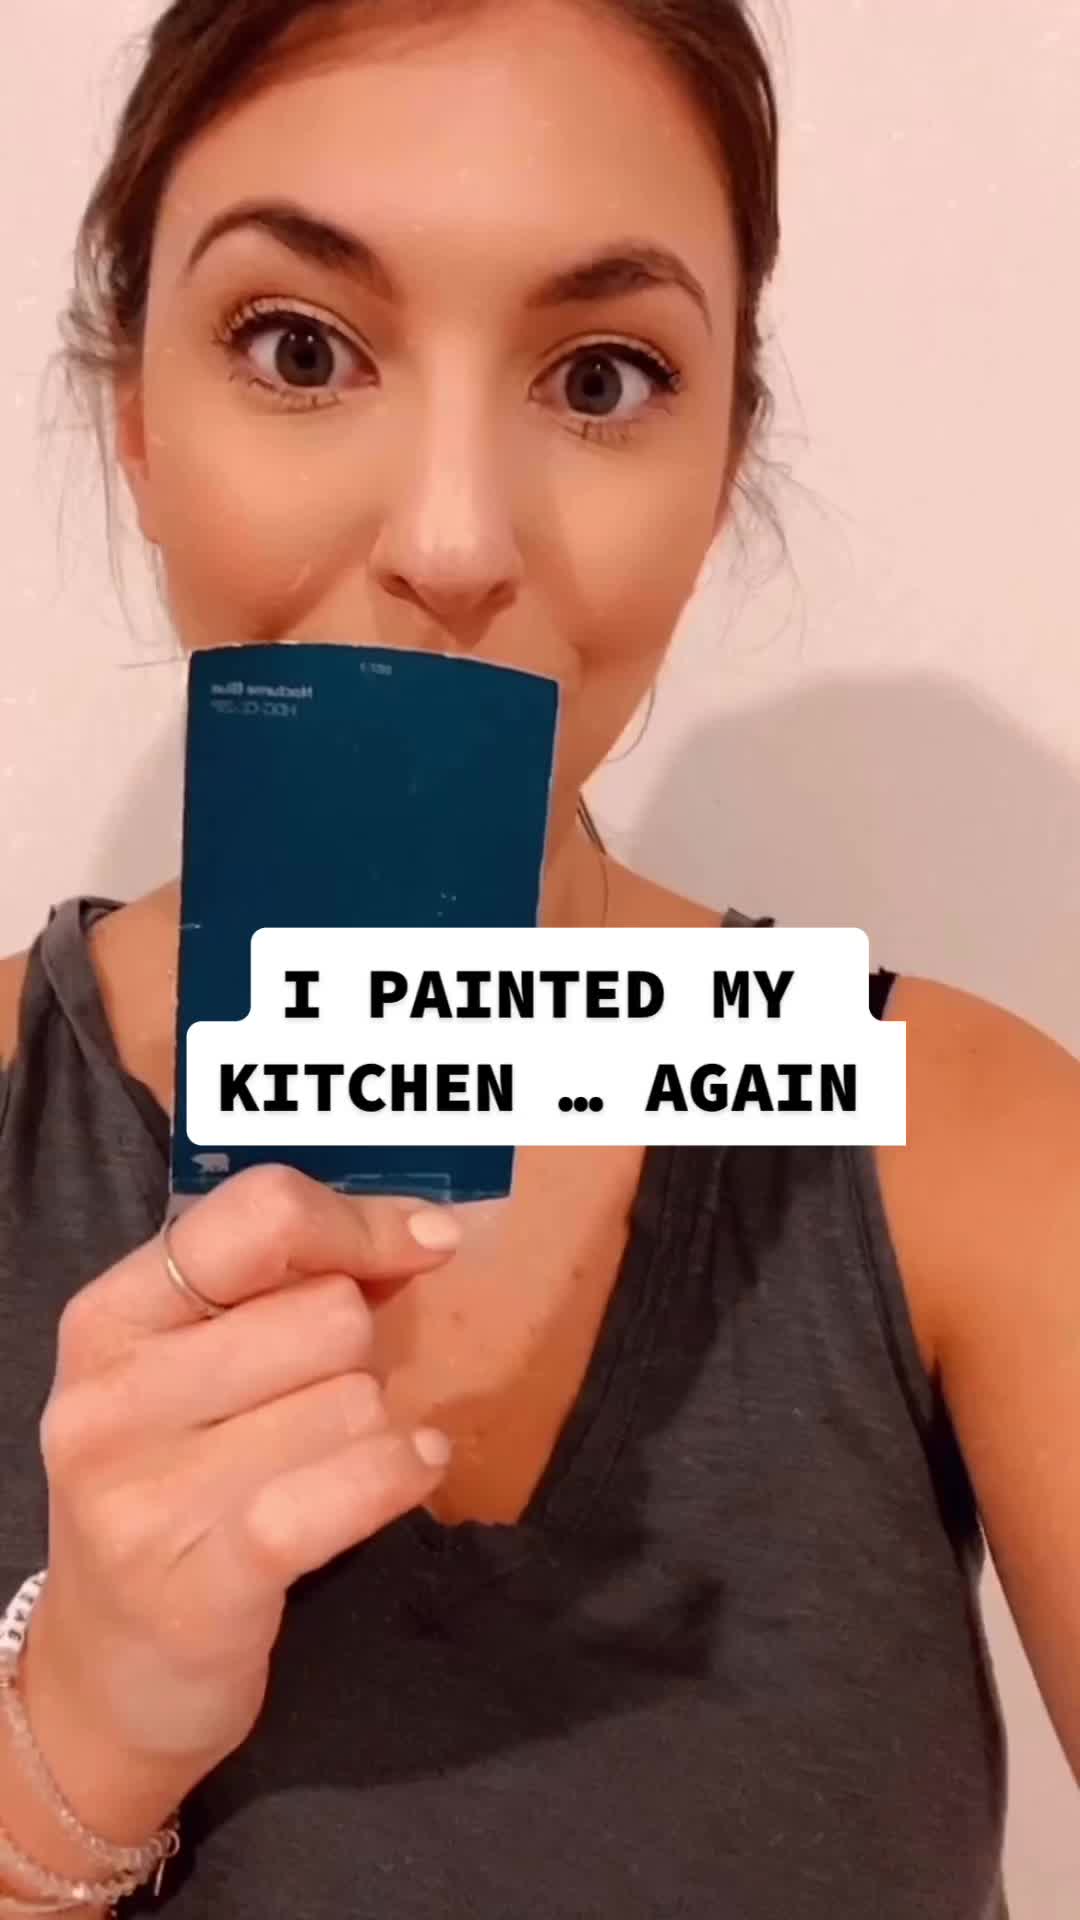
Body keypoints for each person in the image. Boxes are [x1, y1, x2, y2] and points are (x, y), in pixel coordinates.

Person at [0, 2, 1076, 1915]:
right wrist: (70, 1750)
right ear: (137, 419)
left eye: (600, 378)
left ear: (722, 466)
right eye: (301, 347)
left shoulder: (965, 1146)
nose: (452, 538)